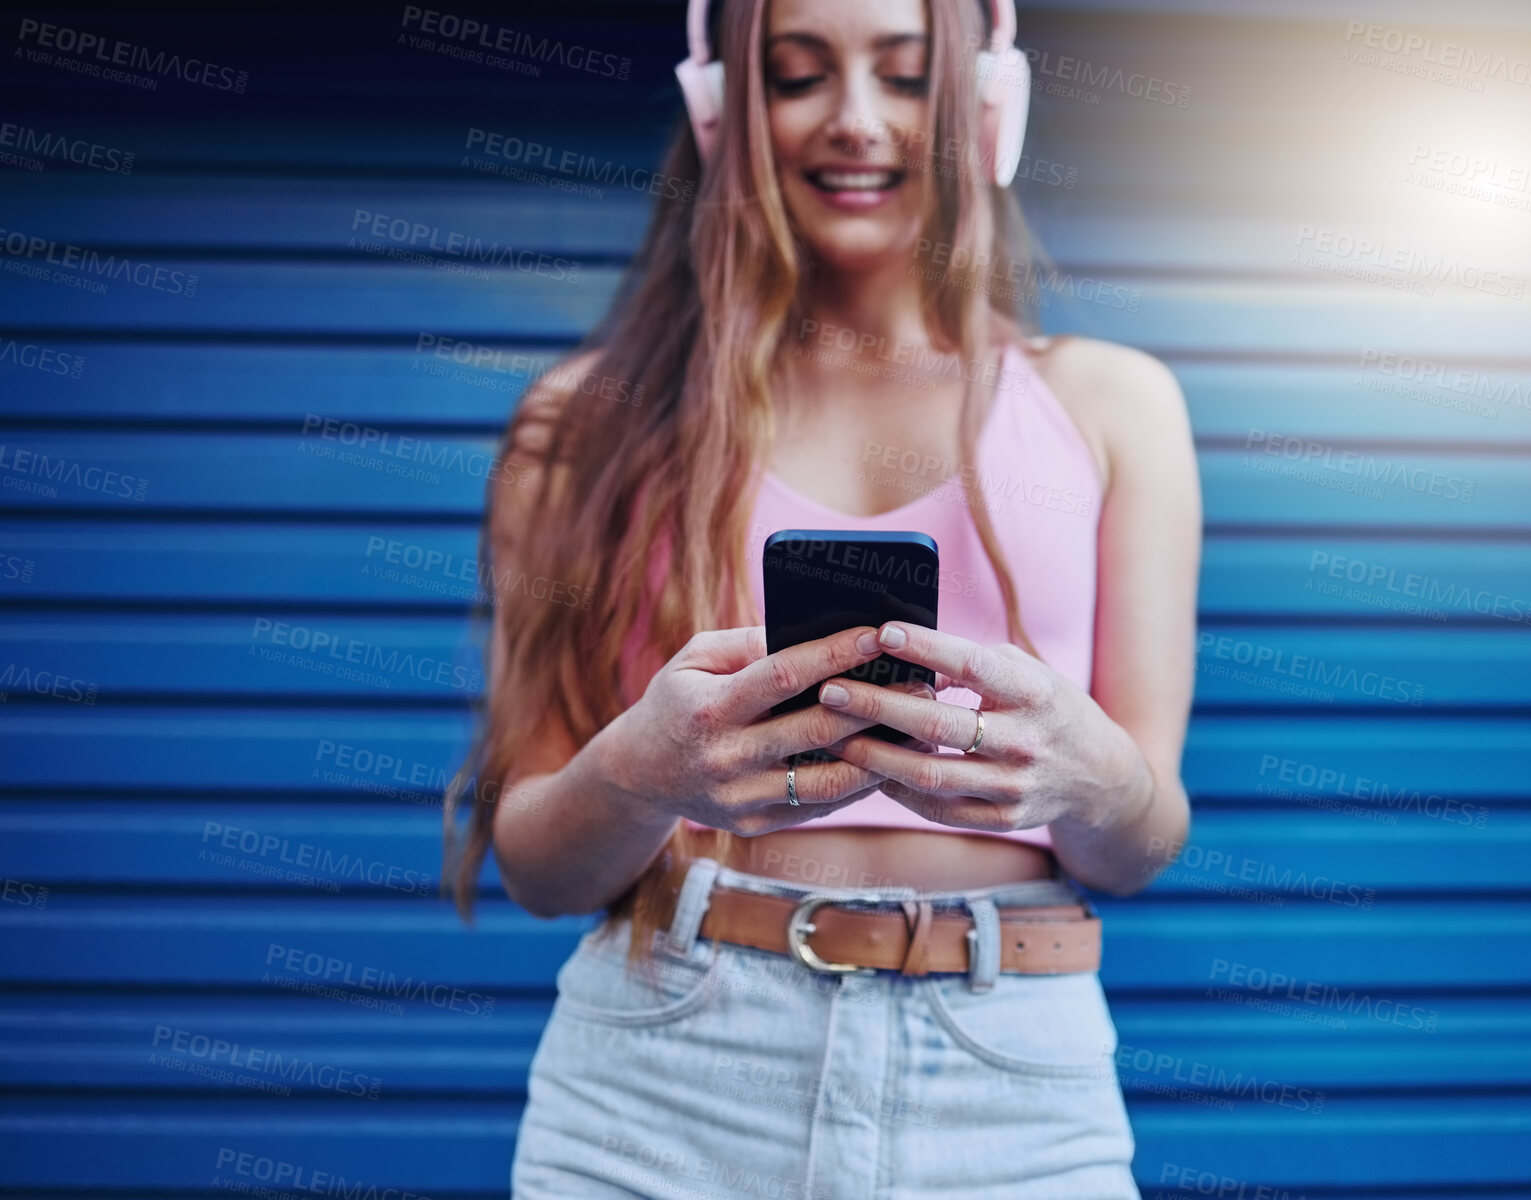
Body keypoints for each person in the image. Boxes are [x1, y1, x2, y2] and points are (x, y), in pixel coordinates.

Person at [443, 0, 1200, 1194]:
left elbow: (1141, 842)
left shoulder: (1119, 406)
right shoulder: (577, 424)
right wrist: (638, 772)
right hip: (664, 1074)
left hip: (1011, 1083)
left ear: (987, 107)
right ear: (719, 113)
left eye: (905, 77)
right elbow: (540, 871)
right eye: (797, 76)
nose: (855, 122)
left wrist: (1097, 779)